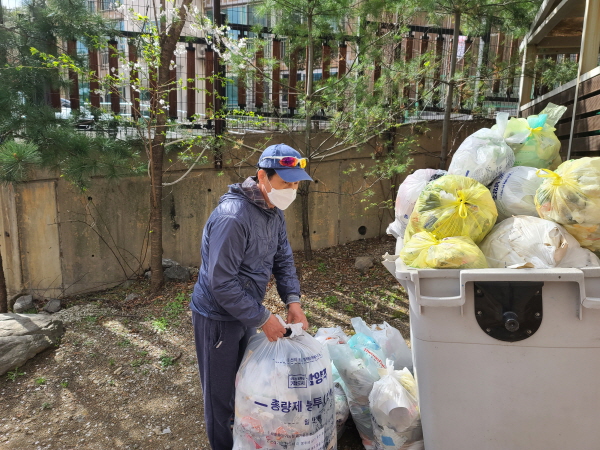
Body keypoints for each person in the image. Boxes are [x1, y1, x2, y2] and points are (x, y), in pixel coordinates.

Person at [190, 143, 312, 450]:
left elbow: (283, 259)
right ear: (262, 176)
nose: (292, 189)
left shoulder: (273, 210)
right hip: (217, 317)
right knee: (220, 398)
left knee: (242, 386)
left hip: (245, 311)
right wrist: (263, 318)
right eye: (286, 182)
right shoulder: (234, 217)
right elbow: (221, 283)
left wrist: (292, 302)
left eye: (296, 183)